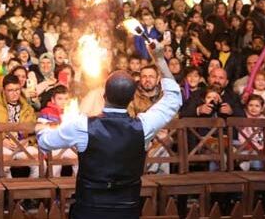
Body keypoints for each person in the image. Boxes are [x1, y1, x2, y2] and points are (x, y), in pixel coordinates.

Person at [36, 42, 181, 219]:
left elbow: (45, 142)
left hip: (89, 211)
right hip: (127, 210)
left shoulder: (82, 126)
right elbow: (174, 98)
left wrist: (40, 128)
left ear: (104, 97)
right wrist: (159, 59)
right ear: (130, 99)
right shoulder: (143, 127)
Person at [0, 74, 40, 179]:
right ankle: (8, 192)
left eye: (17, 89)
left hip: (22, 145)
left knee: (40, 164)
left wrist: (28, 141)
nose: (15, 93)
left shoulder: (27, 107)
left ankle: (31, 191)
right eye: (10, 90)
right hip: (0, 145)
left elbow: (35, 131)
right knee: (3, 164)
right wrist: (1, 140)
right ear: (4, 90)